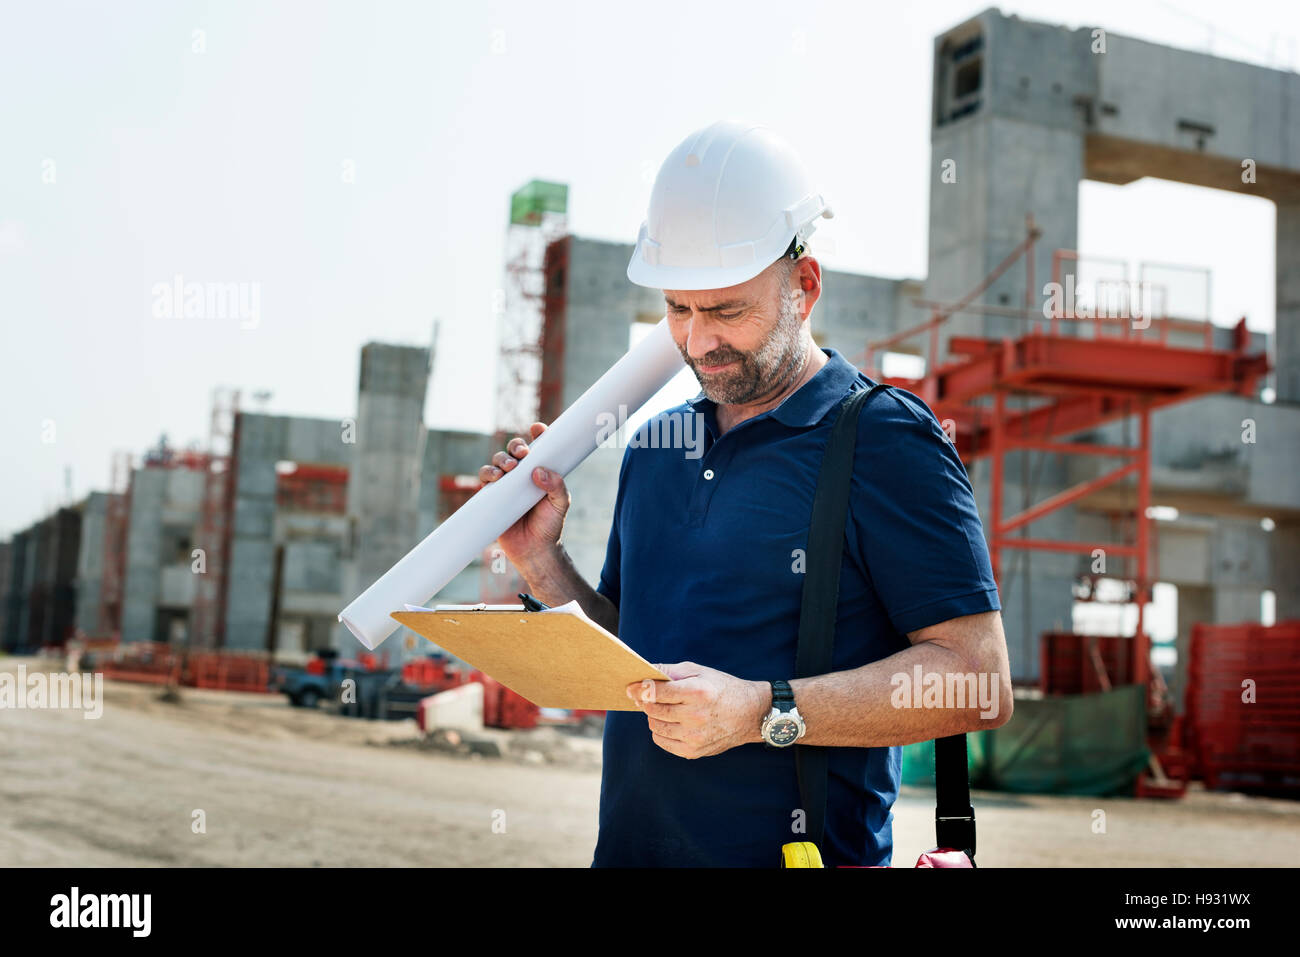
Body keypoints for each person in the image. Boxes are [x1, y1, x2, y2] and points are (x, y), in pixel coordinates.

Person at [479, 120, 1013, 867]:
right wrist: (542, 562)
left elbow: (977, 681)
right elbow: (630, 652)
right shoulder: (656, 449)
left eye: (727, 310)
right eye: (678, 308)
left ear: (805, 287)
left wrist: (765, 712)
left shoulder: (885, 441)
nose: (697, 343)